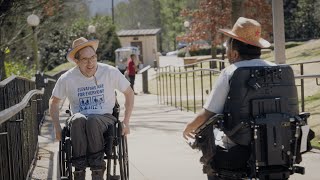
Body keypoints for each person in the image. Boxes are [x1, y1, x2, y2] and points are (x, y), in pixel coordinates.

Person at [182, 17, 275, 180]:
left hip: (239, 147)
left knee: (210, 146)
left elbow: (208, 113)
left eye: (227, 46)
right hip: (275, 144)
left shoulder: (231, 72)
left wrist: (189, 127)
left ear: (234, 52)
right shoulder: (275, 70)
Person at [49, 37, 134, 180]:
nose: (91, 63)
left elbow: (129, 93)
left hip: (105, 118)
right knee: (78, 119)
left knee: (93, 120)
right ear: (76, 61)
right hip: (78, 119)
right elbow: (54, 101)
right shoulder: (67, 78)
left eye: (93, 57)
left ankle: (97, 169)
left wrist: (126, 121)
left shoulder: (109, 72)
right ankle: (79, 171)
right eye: (85, 59)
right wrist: (57, 128)